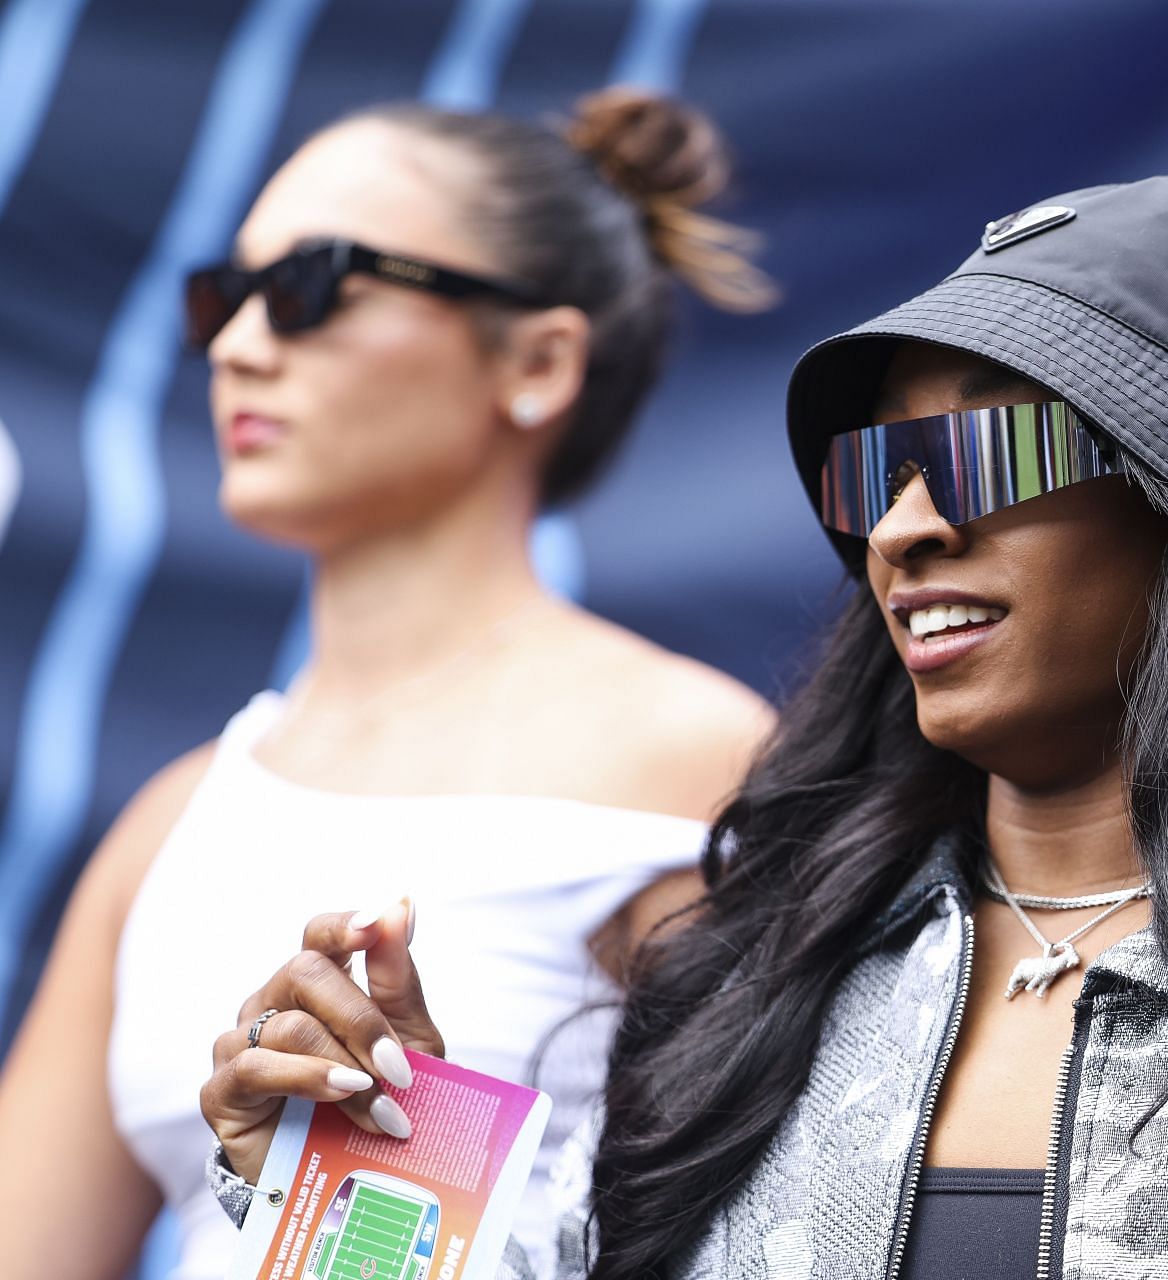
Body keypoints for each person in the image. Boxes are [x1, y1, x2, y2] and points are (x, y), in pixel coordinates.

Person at [201, 178, 1168, 1278]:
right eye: (873, 474)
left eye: (990, 450)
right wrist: (381, 1159)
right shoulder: (748, 982)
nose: (906, 526)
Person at [0, 88, 775, 1280]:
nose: (241, 342)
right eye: (225, 297)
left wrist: (384, 1187)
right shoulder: (173, 820)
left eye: (314, 283)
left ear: (538, 358)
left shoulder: (684, 758)